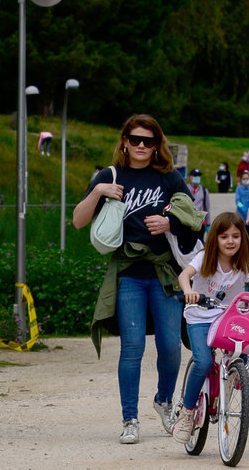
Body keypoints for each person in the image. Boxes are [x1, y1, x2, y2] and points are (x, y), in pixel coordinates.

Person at [72, 114, 201, 445]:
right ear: (125, 142)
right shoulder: (110, 176)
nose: (141, 145)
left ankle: (164, 401)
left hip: (164, 272)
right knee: (132, 347)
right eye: (135, 139)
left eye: (149, 140)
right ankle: (129, 419)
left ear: (157, 145)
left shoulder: (169, 177)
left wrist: (170, 224)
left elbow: (194, 220)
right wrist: (98, 190)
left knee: (170, 346)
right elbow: (78, 221)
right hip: (128, 273)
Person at [171, 212, 249, 444]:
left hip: (226, 317)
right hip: (199, 316)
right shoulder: (204, 257)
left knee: (244, 335)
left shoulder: (245, 264)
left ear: (243, 238)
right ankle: (187, 412)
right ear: (215, 238)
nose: (230, 241)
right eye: (224, 237)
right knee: (203, 363)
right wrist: (188, 291)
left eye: (235, 236)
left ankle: (239, 369)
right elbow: (184, 275)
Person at [188, 168, 211, 241]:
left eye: (198, 176)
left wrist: (208, 224)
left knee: (200, 242)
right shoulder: (185, 188)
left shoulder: (204, 190)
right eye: (195, 175)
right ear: (190, 177)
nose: (197, 177)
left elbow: (207, 207)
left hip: (200, 223)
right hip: (187, 222)